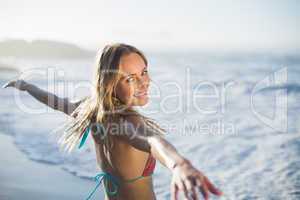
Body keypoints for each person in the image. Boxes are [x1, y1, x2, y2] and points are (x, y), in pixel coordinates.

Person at [3, 43, 223, 200]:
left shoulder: (91, 111)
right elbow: (152, 141)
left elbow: (56, 102)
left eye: (144, 72)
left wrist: (26, 86)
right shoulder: (127, 122)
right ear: (109, 83)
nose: (144, 82)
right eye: (130, 78)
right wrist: (179, 164)